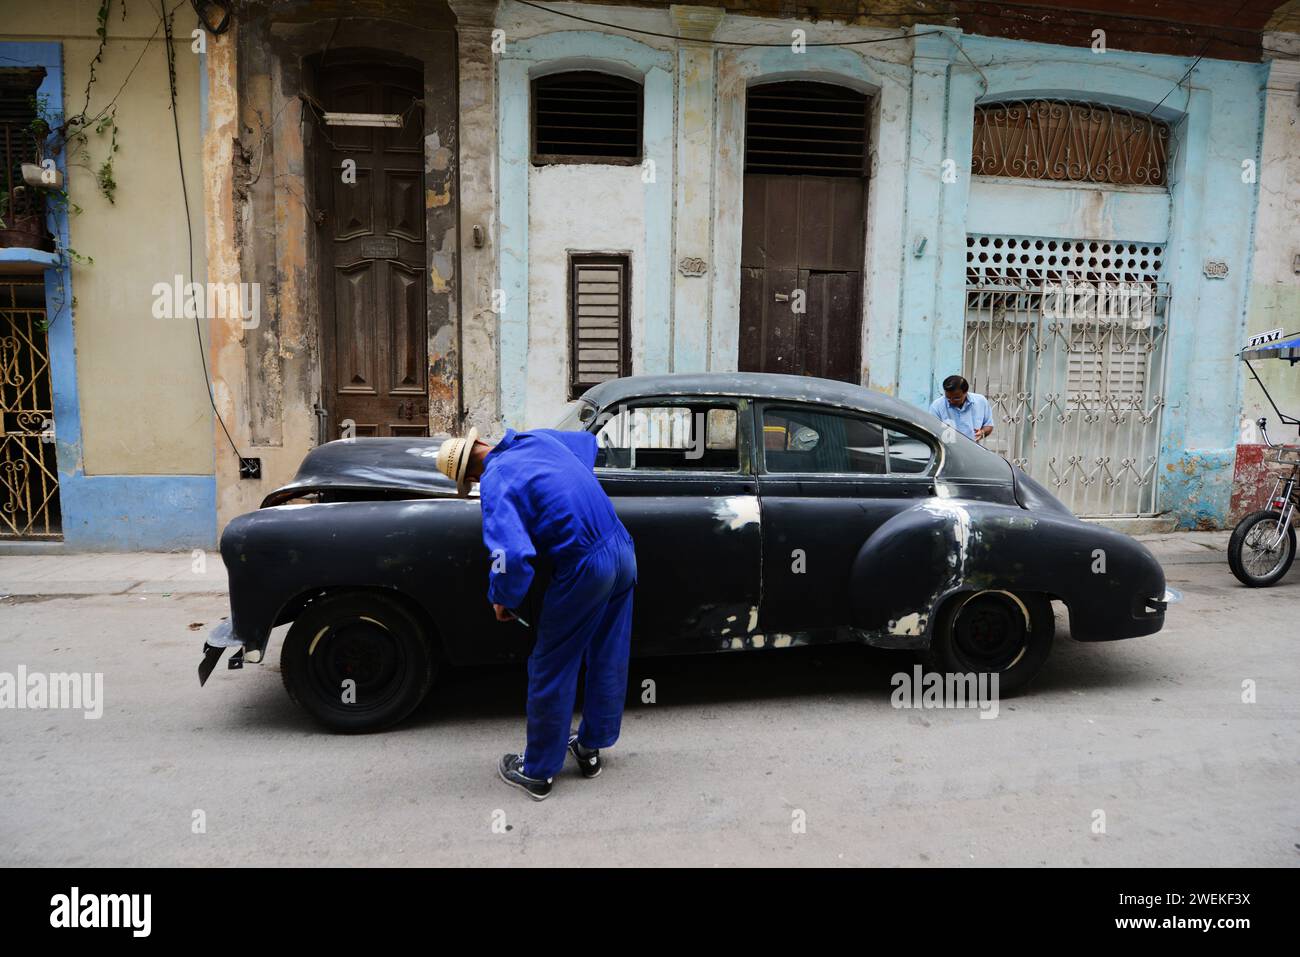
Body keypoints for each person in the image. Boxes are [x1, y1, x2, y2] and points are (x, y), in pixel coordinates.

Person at [435, 427, 637, 801]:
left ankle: (539, 771)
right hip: (621, 546)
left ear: (470, 475)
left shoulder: (495, 478)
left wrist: (504, 597)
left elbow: (509, 555)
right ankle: (591, 749)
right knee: (608, 653)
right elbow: (585, 448)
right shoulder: (535, 439)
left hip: (585, 566)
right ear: (479, 442)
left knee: (551, 664)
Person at [929, 375, 993, 443]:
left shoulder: (980, 401)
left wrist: (982, 432)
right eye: (948, 398)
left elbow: (988, 425)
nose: (952, 401)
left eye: (956, 398)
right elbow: (931, 431)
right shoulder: (936, 406)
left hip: (973, 449)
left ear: (965, 392)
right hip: (948, 450)